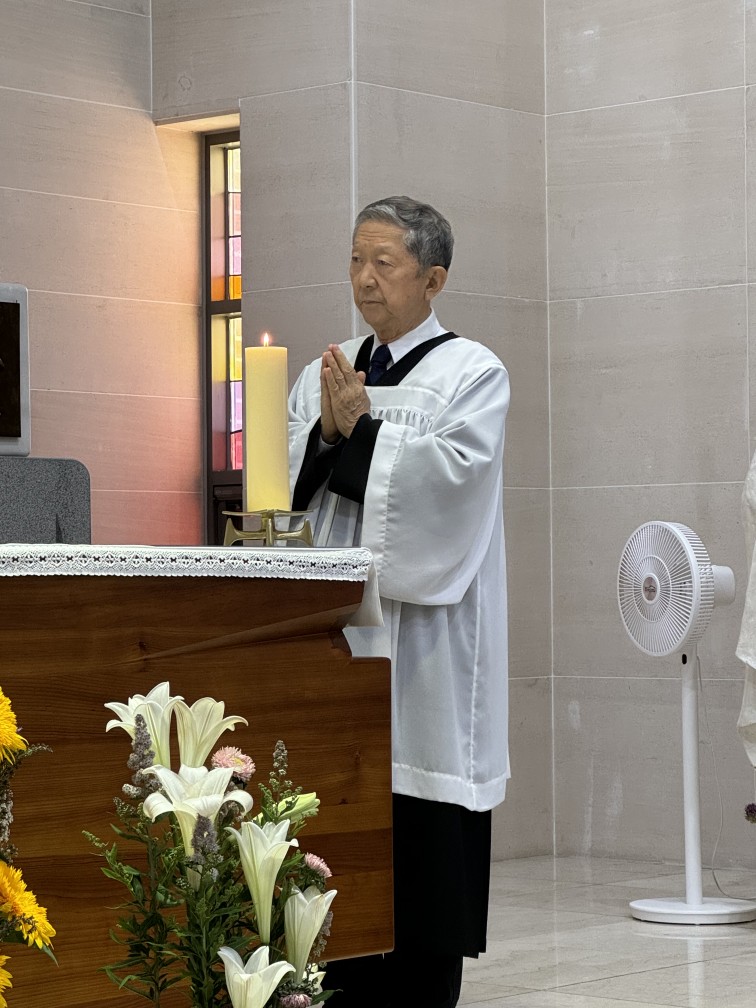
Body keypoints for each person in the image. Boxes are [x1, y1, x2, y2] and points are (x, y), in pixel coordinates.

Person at [288, 196, 510, 1008]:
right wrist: (327, 435)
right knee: (335, 832)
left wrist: (365, 434)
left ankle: (422, 989)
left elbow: (452, 488)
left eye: (384, 262)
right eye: (356, 259)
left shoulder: (472, 372)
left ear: (433, 278)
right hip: (340, 636)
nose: (364, 278)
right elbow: (286, 486)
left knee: (421, 840)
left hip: (428, 647)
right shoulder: (329, 369)